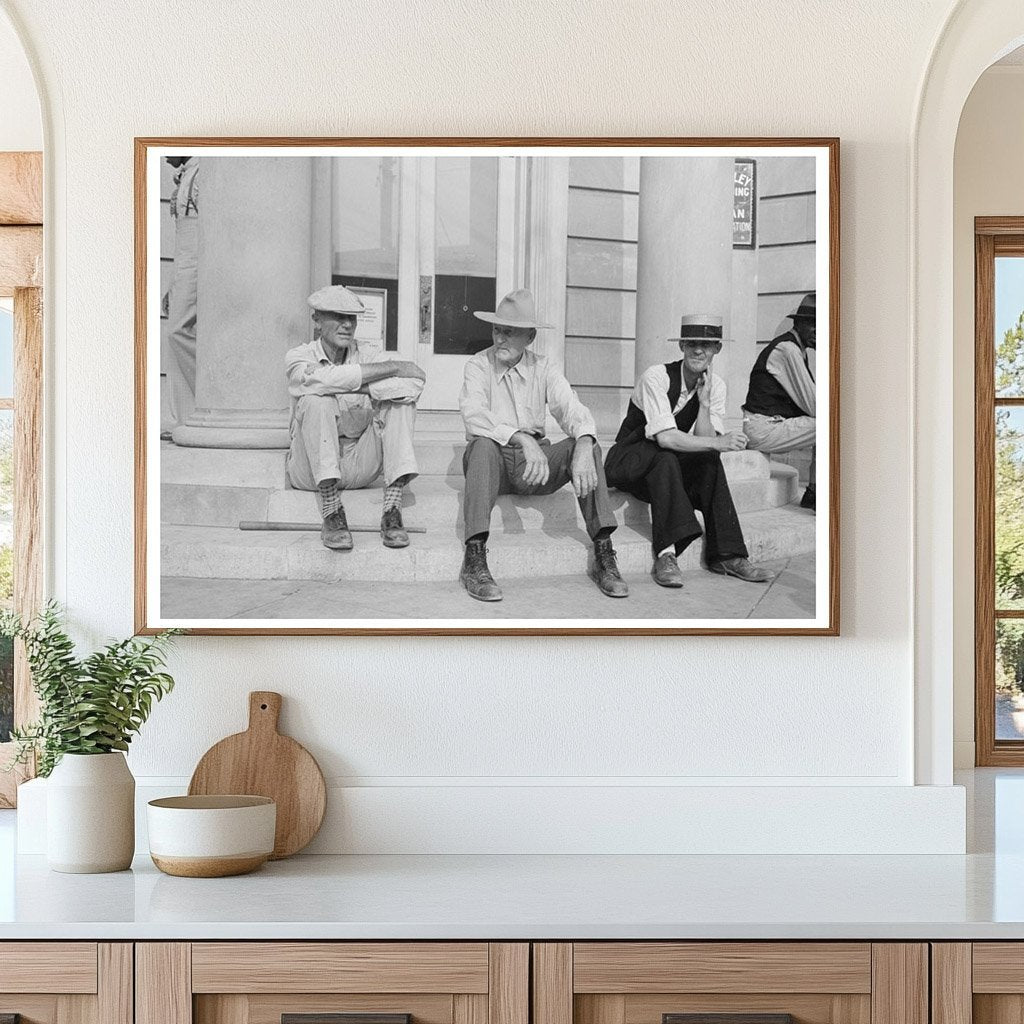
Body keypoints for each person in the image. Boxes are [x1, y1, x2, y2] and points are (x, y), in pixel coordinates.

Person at [458, 288, 628, 603]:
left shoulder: (544, 367)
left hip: (535, 468)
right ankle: (475, 559)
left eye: (509, 332)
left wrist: (584, 442)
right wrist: (521, 437)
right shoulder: (478, 365)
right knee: (481, 445)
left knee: (588, 446)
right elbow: (473, 415)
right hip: (494, 463)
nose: (500, 339)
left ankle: (604, 553)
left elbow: (571, 408)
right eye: (496, 330)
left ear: (530, 337)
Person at [604, 314, 772, 589]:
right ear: (681, 345)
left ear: (717, 348)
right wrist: (719, 442)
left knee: (707, 461)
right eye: (692, 343)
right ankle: (666, 554)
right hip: (628, 461)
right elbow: (666, 438)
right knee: (666, 456)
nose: (698, 351)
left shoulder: (716, 385)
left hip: (663, 471)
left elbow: (705, 442)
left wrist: (704, 405)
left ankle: (727, 555)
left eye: (706, 345)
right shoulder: (657, 377)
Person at [285, 285, 425, 551]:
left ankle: (392, 509)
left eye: (352, 318)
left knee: (400, 402)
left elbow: (414, 383)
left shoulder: (369, 355)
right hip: (311, 470)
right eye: (338, 316)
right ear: (317, 320)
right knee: (316, 400)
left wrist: (346, 383)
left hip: (359, 463)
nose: (347, 324)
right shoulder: (299, 355)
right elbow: (311, 382)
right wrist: (392, 369)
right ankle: (332, 512)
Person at [742, 291, 817, 510]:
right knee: (830, 424)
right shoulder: (788, 349)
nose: (818, 331)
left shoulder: (797, 349)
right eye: (812, 324)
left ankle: (814, 491)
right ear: (798, 324)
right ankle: (816, 493)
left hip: (770, 424)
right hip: (762, 428)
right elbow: (815, 406)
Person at [164, 155, 200, 436]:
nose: (165, 156)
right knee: (173, 335)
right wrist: (172, 284)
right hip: (184, 265)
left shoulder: (203, 173)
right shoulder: (187, 174)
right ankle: (184, 419)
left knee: (178, 331)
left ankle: (214, 398)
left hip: (198, 263)